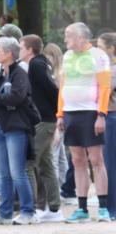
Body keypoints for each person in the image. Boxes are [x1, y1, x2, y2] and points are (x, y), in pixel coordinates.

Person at [0, 37, 39, 225]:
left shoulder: (19, 74)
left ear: (8, 54)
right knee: (3, 172)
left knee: (17, 172)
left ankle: (28, 211)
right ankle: (4, 213)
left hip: (15, 127)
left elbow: (18, 97)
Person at [57, 22, 110, 222]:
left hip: (90, 112)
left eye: (68, 35)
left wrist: (101, 114)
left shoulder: (98, 56)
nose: (65, 39)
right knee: (77, 160)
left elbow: (104, 87)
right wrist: (60, 114)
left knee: (96, 160)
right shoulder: (67, 56)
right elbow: (62, 86)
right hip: (71, 112)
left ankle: (103, 207)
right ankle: (82, 208)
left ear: (81, 37)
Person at [19, 34, 63, 222]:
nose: (19, 50)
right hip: (46, 119)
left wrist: (56, 112)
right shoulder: (39, 63)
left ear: (29, 49)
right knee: (46, 164)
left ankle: (32, 209)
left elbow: (53, 89)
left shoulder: (36, 64)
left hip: (44, 121)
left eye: (21, 47)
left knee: (28, 163)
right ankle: (54, 209)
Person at [44, 42, 74, 203]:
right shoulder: (55, 75)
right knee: (58, 156)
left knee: (55, 157)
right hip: (57, 118)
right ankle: (58, 191)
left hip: (57, 118)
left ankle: (55, 192)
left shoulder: (57, 76)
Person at [100, 32, 116, 222]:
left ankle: (112, 207)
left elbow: (104, 91)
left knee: (110, 163)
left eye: (102, 48)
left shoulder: (111, 70)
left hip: (111, 115)